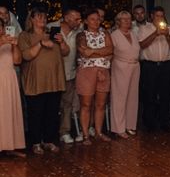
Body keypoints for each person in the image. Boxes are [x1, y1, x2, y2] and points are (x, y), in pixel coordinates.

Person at [18, 6, 69, 154]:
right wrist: (40, 44)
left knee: (52, 113)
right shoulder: (25, 35)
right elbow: (26, 56)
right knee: (36, 113)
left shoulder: (52, 33)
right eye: (39, 16)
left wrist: (62, 42)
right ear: (32, 19)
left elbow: (66, 52)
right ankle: (35, 142)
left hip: (54, 80)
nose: (43, 19)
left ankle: (48, 140)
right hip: (36, 81)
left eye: (44, 17)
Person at [76, 9, 113, 143]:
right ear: (86, 21)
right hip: (87, 72)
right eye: (92, 19)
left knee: (101, 104)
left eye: (98, 19)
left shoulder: (105, 33)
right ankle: (85, 134)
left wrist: (93, 51)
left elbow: (111, 50)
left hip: (103, 71)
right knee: (86, 104)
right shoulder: (81, 35)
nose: (96, 21)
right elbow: (84, 52)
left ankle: (98, 132)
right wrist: (102, 53)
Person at [138, 7, 170, 131]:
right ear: (151, 16)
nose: (159, 18)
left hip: (166, 65)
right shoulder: (144, 29)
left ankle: (164, 121)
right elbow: (142, 45)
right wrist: (156, 33)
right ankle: (150, 122)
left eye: (161, 16)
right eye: (157, 16)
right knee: (150, 94)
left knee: (165, 94)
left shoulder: (169, 29)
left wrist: (167, 36)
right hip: (150, 66)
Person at [48, 8, 83, 144]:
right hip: (52, 75)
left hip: (70, 73)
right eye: (76, 19)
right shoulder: (52, 27)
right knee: (52, 105)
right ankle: (49, 134)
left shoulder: (78, 32)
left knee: (67, 105)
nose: (79, 21)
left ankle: (65, 131)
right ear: (67, 18)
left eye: (80, 19)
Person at [110, 11, 140, 139]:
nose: (127, 21)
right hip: (120, 66)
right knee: (119, 97)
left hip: (135, 66)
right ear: (118, 21)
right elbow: (111, 53)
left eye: (129, 19)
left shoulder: (133, 34)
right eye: (124, 19)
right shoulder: (114, 35)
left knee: (132, 97)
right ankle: (118, 128)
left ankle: (129, 125)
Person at [0, 16, 26, 157]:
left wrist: (15, 45)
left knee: (8, 112)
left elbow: (17, 61)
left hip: (9, 78)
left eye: (1, 26)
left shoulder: (9, 41)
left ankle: (9, 145)